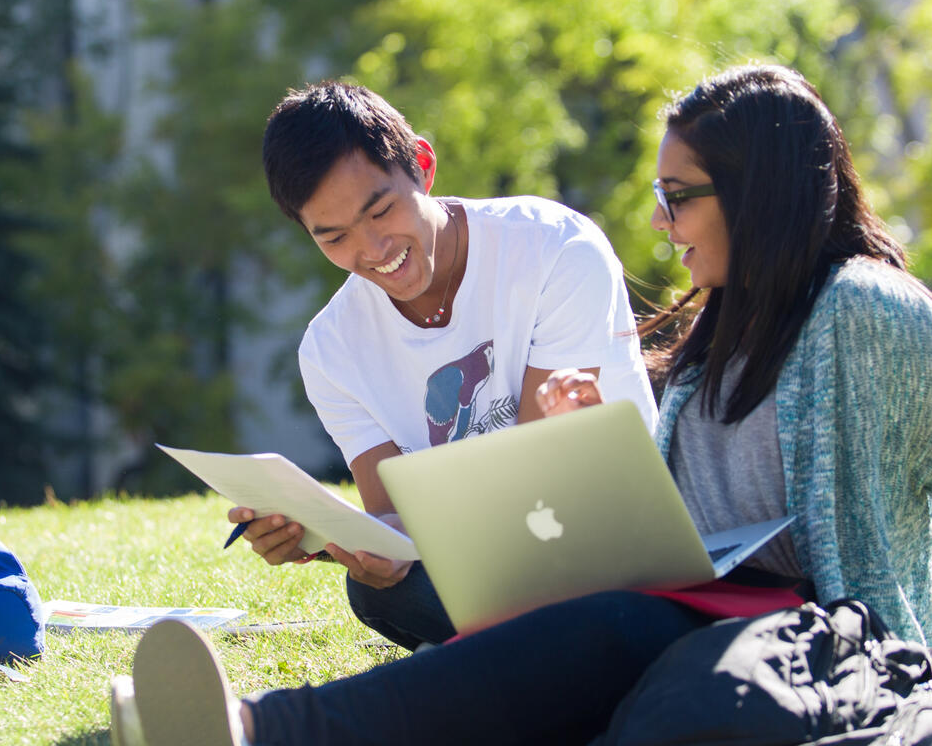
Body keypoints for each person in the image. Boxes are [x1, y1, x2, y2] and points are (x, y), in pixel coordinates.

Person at [112, 65, 932, 746]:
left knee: (601, 634)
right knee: (583, 630)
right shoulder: (721, 330)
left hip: (824, 635)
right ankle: (249, 727)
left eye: (678, 195)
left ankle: (259, 727)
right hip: (701, 604)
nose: (656, 220)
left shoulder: (876, 315)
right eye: (662, 192)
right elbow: (676, 512)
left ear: (758, 196)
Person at [230, 81, 658, 650]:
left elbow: (542, 479)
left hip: (615, 544)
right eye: (334, 238)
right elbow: (394, 521)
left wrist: (413, 536)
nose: (374, 249)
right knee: (381, 592)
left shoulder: (556, 249)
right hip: (493, 571)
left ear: (423, 167)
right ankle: (543, 662)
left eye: (381, 210)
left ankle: (530, 664)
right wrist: (335, 540)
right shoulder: (330, 350)